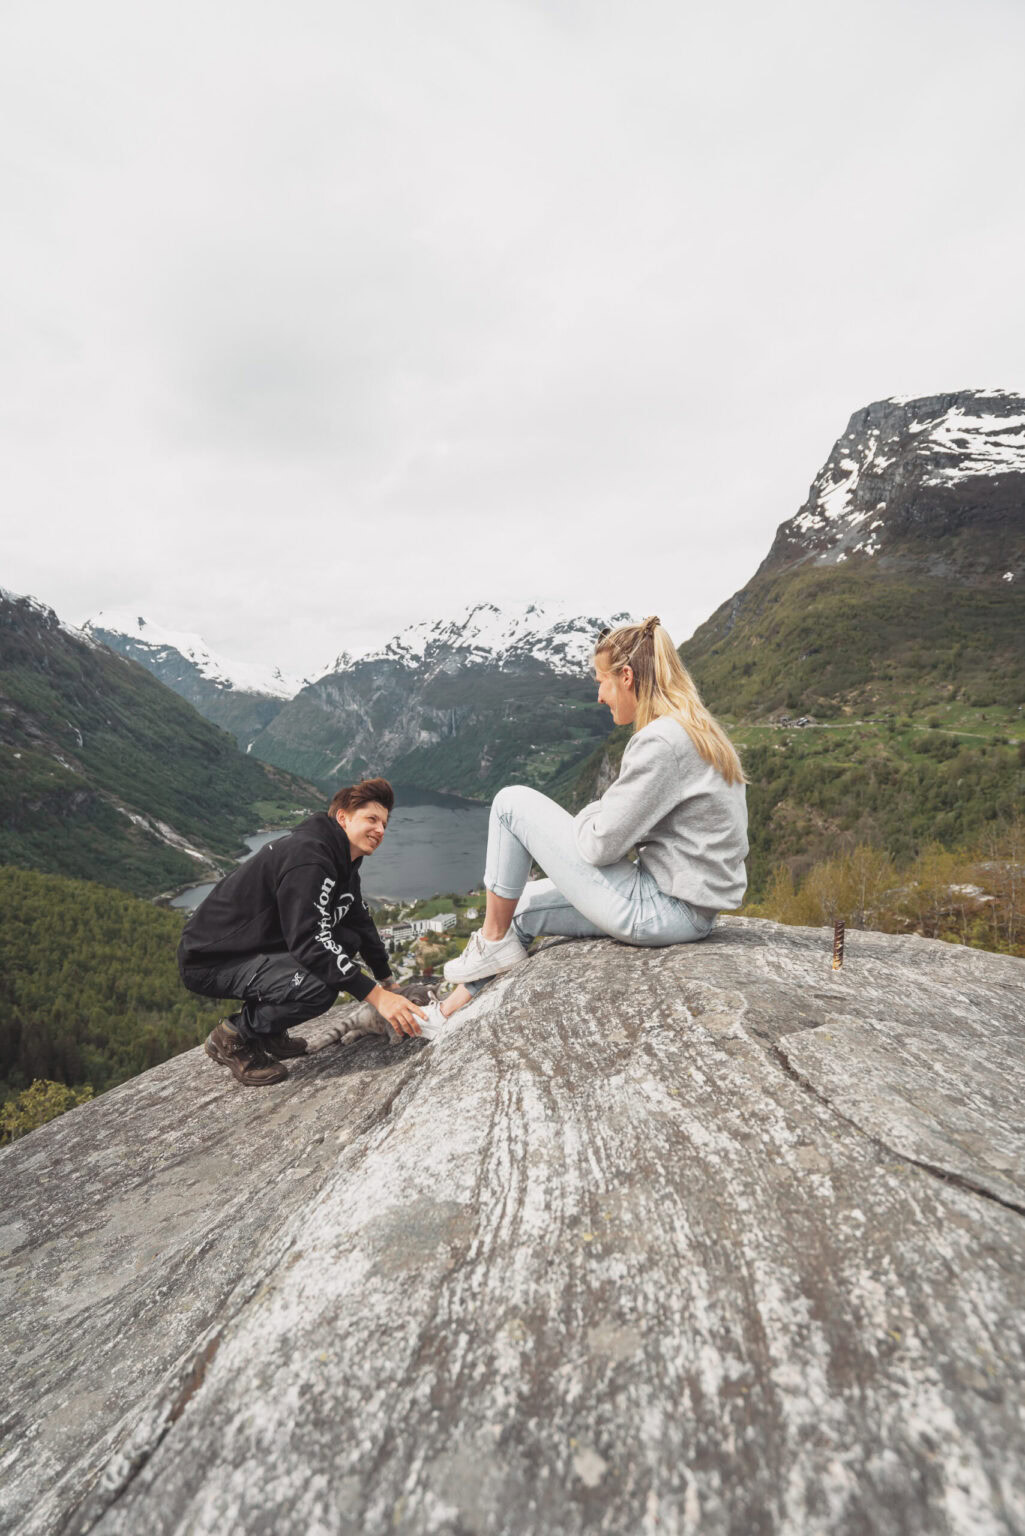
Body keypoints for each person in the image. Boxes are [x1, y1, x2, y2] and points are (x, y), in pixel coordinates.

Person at [438, 616, 748, 1014]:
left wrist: (587, 814)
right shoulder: (698, 730)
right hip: (688, 910)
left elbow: (601, 844)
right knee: (522, 902)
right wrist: (605, 815)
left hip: (663, 909)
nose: (600, 696)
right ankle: (445, 1013)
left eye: (601, 682)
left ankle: (492, 942)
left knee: (510, 803)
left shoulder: (660, 741)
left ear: (626, 676)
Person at [178, 777, 439, 1086]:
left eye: (384, 823)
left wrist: (388, 983)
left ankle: (270, 1032)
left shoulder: (343, 864)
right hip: (213, 958)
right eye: (371, 819)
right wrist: (377, 998)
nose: (380, 830)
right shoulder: (309, 858)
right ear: (343, 817)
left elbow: (361, 924)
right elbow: (309, 942)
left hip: (254, 948)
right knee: (320, 984)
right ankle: (235, 1037)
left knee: (347, 940)